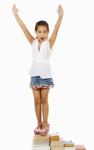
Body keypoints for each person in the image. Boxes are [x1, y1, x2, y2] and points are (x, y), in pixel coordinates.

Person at [12, 4, 64, 136]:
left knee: (44, 100)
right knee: (36, 101)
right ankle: (38, 122)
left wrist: (60, 17)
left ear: (47, 32)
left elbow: (56, 30)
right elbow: (24, 30)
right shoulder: (33, 42)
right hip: (35, 75)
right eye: (39, 31)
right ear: (36, 32)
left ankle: (46, 123)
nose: (42, 34)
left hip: (46, 76)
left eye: (45, 31)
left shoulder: (49, 43)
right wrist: (16, 16)